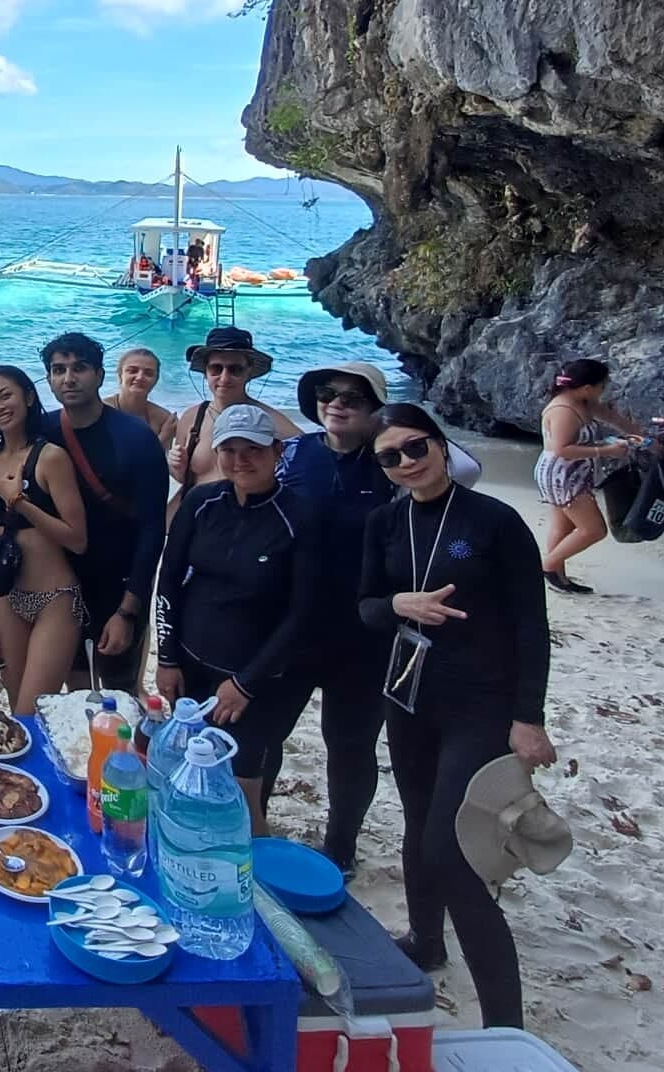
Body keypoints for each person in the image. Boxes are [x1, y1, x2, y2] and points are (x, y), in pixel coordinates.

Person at [360, 403, 554, 1029]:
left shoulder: (495, 521)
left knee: (453, 853)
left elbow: (531, 624)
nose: (406, 463)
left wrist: (528, 717)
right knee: (419, 824)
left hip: (482, 703)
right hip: (408, 695)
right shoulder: (384, 523)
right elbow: (364, 606)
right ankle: (425, 939)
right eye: (390, 457)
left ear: (441, 446)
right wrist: (399, 603)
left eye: (416, 447)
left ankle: (505, 1022)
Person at [153, 404, 323, 836]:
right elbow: (169, 581)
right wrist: (167, 658)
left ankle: (254, 864)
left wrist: (246, 683)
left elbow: (304, 613)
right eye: (229, 450)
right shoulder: (201, 501)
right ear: (216, 452)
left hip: (256, 679)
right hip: (190, 665)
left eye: (253, 450)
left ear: (277, 452)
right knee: (189, 773)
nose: (241, 460)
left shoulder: (300, 517)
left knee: (242, 793)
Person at [271, 360, 398, 873]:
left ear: (376, 408)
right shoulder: (294, 454)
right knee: (267, 733)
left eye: (354, 397)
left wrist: (392, 431)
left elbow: (462, 468)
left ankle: (341, 848)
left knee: (350, 745)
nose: (338, 404)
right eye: (328, 393)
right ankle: (253, 825)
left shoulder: (394, 460)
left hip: (365, 633)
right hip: (294, 624)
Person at [40, 333, 170, 693]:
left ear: (99, 375)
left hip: (118, 583)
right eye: (59, 370)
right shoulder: (42, 430)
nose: (69, 378)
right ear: (49, 379)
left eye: (79, 368)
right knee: (76, 689)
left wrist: (128, 610)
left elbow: (152, 530)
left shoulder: (136, 437)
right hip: (63, 583)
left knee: (120, 692)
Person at [0, 365, 88, 715]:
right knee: (15, 708)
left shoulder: (50, 457)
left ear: (29, 397)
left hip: (55, 599)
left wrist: (20, 503)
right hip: (7, 599)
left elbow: (77, 539)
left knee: (31, 712)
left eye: (5, 395)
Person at [534, 358, 647, 595]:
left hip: (572, 473)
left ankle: (558, 577)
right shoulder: (563, 410)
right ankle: (547, 566)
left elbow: (614, 419)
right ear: (587, 388)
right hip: (562, 475)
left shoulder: (583, 401)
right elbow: (561, 449)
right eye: (602, 386)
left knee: (563, 526)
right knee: (594, 530)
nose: (603, 390)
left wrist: (644, 438)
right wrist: (606, 450)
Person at [169, 326, 302, 487]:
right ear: (205, 372)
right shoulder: (191, 418)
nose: (224, 378)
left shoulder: (270, 421)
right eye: (216, 369)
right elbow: (184, 479)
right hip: (194, 502)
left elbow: (308, 463)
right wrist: (178, 468)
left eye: (235, 370)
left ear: (249, 373)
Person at [105, 347, 177, 444]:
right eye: (133, 371)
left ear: (156, 379)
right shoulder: (101, 411)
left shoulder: (163, 418)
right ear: (120, 374)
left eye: (148, 373)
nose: (140, 377)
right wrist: (163, 437)